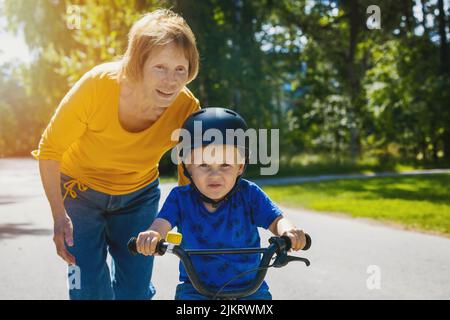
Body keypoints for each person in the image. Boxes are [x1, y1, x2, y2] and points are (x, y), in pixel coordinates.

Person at [31, 9, 200, 300]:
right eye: (160, 67)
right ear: (138, 63)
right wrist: (59, 216)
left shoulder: (186, 108)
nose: (171, 81)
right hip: (79, 194)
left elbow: (191, 169)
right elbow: (50, 149)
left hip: (138, 197)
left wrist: (192, 221)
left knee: (134, 293)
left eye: (180, 70)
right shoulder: (98, 86)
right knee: (90, 291)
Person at [135, 108, 308, 300]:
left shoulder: (249, 194)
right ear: (187, 167)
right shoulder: (180, 198)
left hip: (250, 288)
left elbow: (277, 221)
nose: (215, 174)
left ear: (240, 166)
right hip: (196, 290)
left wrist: (289, 232)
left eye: (225, 165)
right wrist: (153, 235)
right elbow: (162, 224)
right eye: (203, 165)